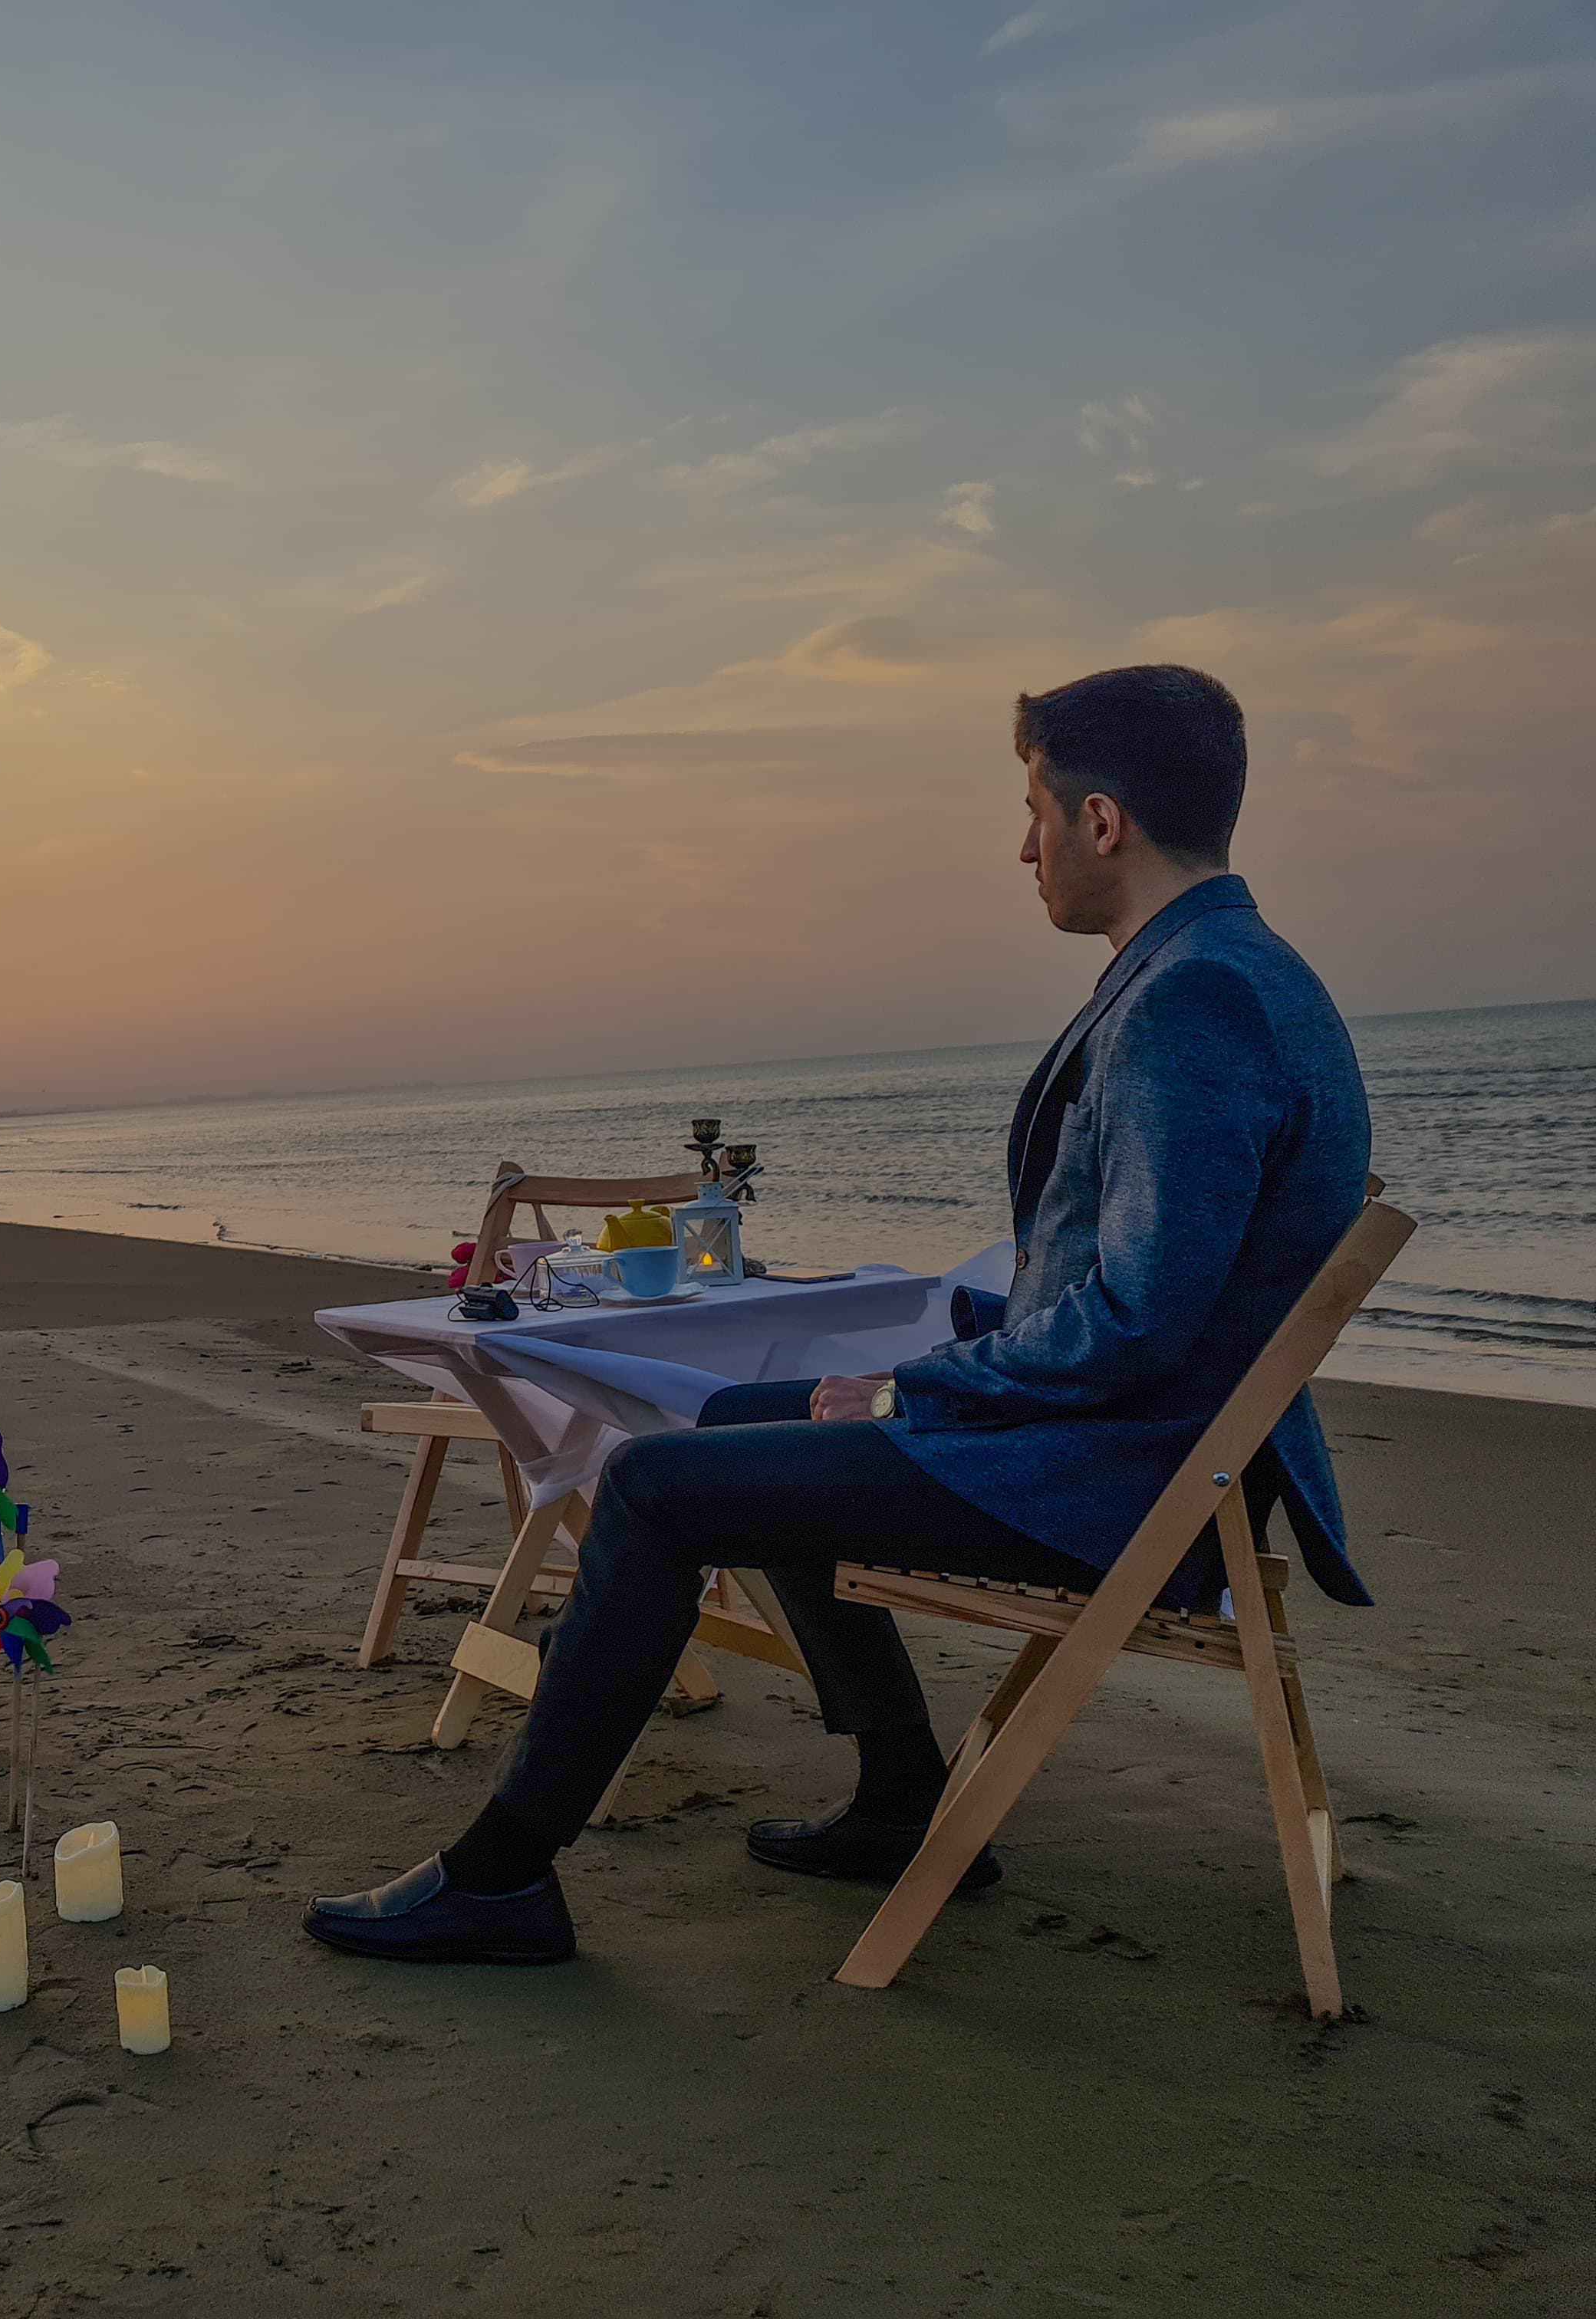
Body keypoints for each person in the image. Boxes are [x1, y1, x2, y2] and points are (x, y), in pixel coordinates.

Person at [304, 664, 1373, 1966]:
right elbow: (1152, 1288)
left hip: (1118, 1481)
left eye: (1035, 807)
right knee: (749, 1422)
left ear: (1104, 822)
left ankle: (502, 1876)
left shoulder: (1191, 999)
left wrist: (915, 1387)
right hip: (1157, 1453)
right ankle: (902, 1792)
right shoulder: (1245, 968)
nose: (1020, 843)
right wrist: (923, 1364)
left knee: (654, 1486)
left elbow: (1139, 1321)